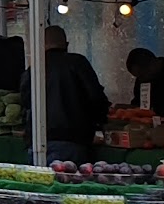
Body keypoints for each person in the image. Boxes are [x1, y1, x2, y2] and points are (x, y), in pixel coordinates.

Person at [37, 26, 110, 165]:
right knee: (69, 181)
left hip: (38, 141)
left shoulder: (35, 68)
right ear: (67, 45)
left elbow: (25, 101)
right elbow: (96, 97)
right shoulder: (78, 63)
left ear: (41, 45)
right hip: (73, 140)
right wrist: (101, 124)